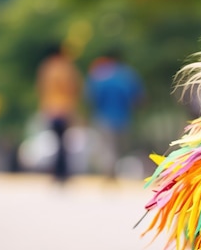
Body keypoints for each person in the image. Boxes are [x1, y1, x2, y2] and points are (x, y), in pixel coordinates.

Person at [85, 50, 145, 178]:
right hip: (123, 117)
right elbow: (138, 97)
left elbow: (91, 96)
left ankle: (109, 173)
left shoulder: (99, 74)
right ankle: (115, 172)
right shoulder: (128, 74)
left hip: (103, 117)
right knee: (119, 147)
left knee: (107, 147)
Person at [36, 44, 82, 182]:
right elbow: (72, 86)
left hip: (50, 109)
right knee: (63, 143)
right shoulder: (64, 67)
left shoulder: (46, 67)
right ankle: (62, 172)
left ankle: (57, 172)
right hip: (63, 109)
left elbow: (41, 88)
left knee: (57, 142)